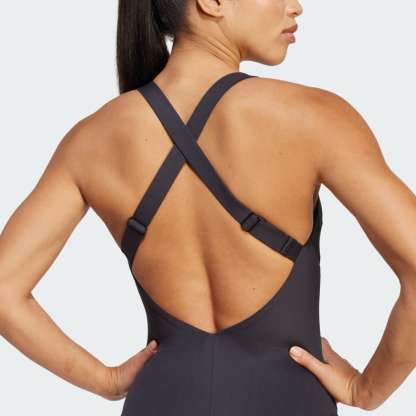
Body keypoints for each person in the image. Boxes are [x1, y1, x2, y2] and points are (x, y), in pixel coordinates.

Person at [0, 0, 415, 414]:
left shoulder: (91, 140)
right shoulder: (313, 116)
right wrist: (367, 390)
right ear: (212, 3)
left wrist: (105, 381)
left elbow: (4, 291)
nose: (295, 7)